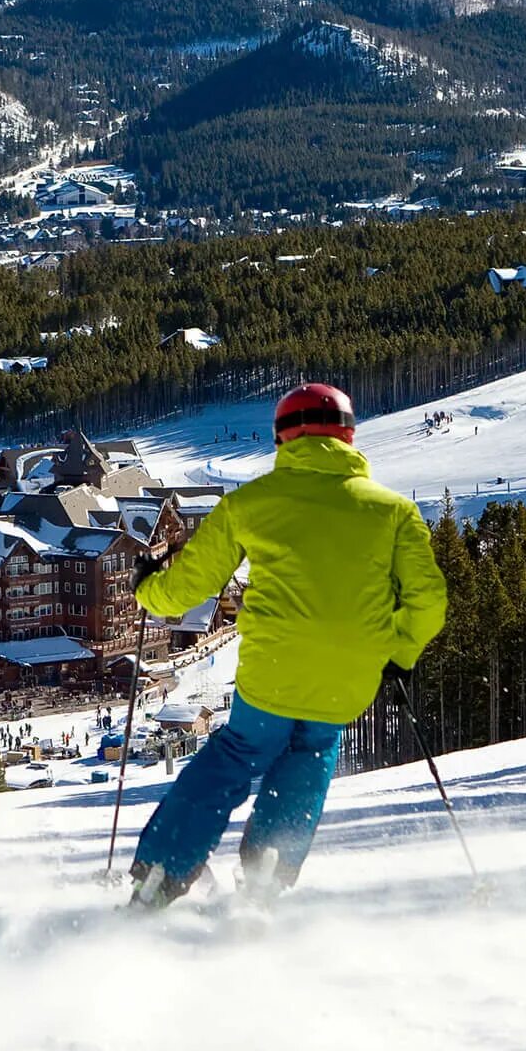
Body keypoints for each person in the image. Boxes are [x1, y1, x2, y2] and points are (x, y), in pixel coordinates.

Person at [127, 383, 447, 908]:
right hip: (349, 678)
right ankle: (266, 878)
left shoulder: (251, 504)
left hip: (273, 670)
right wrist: (399, 652)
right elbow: (428, 599)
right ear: (348, 437)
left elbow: (187, 589)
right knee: (312, 754)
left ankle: (160, 873)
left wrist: (146, 586)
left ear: (283, 438)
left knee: (234, 756)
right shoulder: (393, 512)